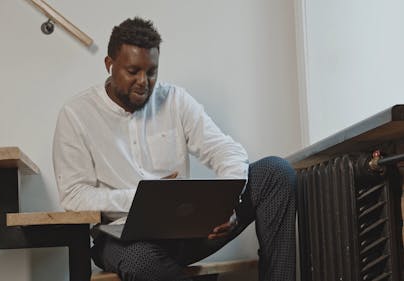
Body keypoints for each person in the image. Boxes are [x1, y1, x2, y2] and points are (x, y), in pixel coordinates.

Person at [53, 17, 296, 281]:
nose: (144, 81)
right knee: (140, 262)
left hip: (187, 232)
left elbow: (225, 149)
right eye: (133, 71)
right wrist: (142, 196)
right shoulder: (76, 114)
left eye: (152, 72)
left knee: (276, 172)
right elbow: (74, 195)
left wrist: (228, 204)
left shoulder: (175, 100)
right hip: (122, 239)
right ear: (109, 65)